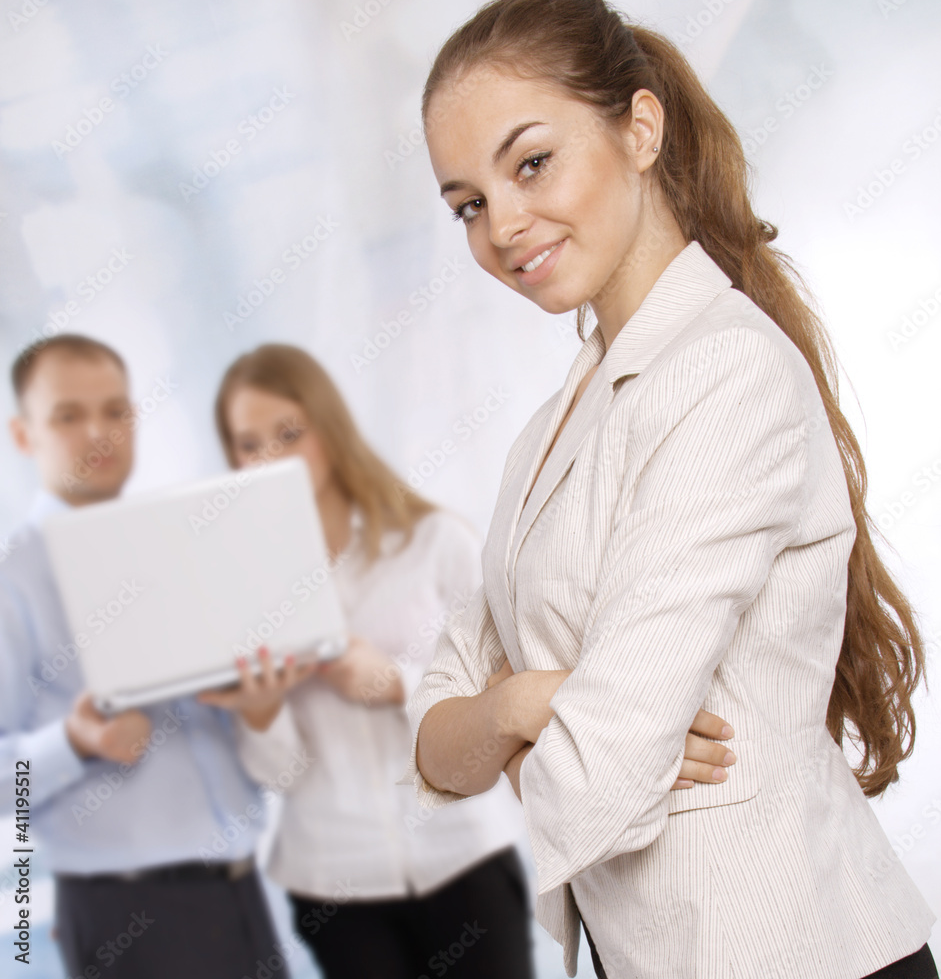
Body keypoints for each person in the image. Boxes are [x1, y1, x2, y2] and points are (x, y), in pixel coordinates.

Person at [402, 0, 938, 979]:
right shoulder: (554, 424)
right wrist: (524, 706)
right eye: (469, 204)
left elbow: (593, 780)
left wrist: (525, 735)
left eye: (530, 163)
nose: (502, 226)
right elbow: (432, 731)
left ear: (638, 128)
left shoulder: (724, 374)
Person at [198, 343, 736, 979]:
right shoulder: (243, 588)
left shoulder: (431, 544)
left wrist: (389, 684)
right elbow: (281, 775)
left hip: (463, 858)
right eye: (248, 444)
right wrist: (261, 714)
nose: (271, 459)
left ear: (328, 427)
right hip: (333, 881)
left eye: (289, 433)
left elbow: (505, 696)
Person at [0, 334, 290, 979]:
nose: (99, 432)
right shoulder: (13, 581)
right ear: (24, 436)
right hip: (128, 919)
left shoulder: (181, 548)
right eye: (68, 416)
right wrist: (73, 742)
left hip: (242, 893)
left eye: (116, 411)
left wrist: (259, 705)